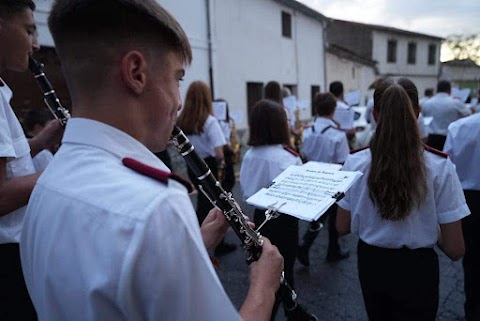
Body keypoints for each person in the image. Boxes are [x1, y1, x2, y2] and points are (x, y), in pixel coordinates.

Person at [20, 1, 284, 321]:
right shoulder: (156, 205)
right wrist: (264, 286)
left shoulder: (46, 180)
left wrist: (192, 243)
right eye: (177, 79)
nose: (178, 101)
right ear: (136, 73)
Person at [336, 77, 469, 321]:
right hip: (419, 270)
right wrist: (429, 226)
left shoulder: (354, 162)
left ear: (375, 114)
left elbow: (341, 226)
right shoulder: (440, 166)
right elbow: (455, 249)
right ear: (417, 113)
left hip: (372, 264)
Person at [0, 1, 63, 320]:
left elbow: (8, 164)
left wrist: (38, 144)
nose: (36, 43)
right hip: (7, 257)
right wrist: (71, 168)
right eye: (28, 30)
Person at [240, 99, 303, 320]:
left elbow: (247, 190)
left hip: (259, 219)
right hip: (284, 221)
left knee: (265, 270)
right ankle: (289, 312)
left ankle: (288, 311)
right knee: (285, 271)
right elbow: (299, 196)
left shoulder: (250, 154)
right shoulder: (288, 158)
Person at [176, 81, 237, 256]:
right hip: (210, 165)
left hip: (193, 165)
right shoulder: (209, 121)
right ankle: (218, 241)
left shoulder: (183, 120)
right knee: (219, 202)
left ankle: (199, 236)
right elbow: (219, 153)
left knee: (203, 201)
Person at [298, 92, 350, 265]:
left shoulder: (307, 131)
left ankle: (317, 248)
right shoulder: (338, 134)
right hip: (332, 179)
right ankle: (319, 249)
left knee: (319, 215)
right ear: (333, 110)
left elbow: (304, 153)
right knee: (330, 216)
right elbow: (343, 162)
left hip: (312, 177)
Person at [444, 113, 480, 321]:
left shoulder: (459, 127)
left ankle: (473, 309)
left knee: (473, 259)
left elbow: (449, 166)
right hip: (469, 197)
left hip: (470, 199)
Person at [422, 80, 471, 150]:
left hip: (430, 139)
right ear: (449, 90)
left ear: (437, 90)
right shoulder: (455, 103)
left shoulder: (427, 103)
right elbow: (468, 115)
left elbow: (423, 120)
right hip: (448, 138)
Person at [214, 98, 237, 193]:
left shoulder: (226, 123)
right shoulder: (219, 123)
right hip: (225, 153)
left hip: (224, 152)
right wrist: (232, 149)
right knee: (228, 180)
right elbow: (223, 141)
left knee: (227, 181)